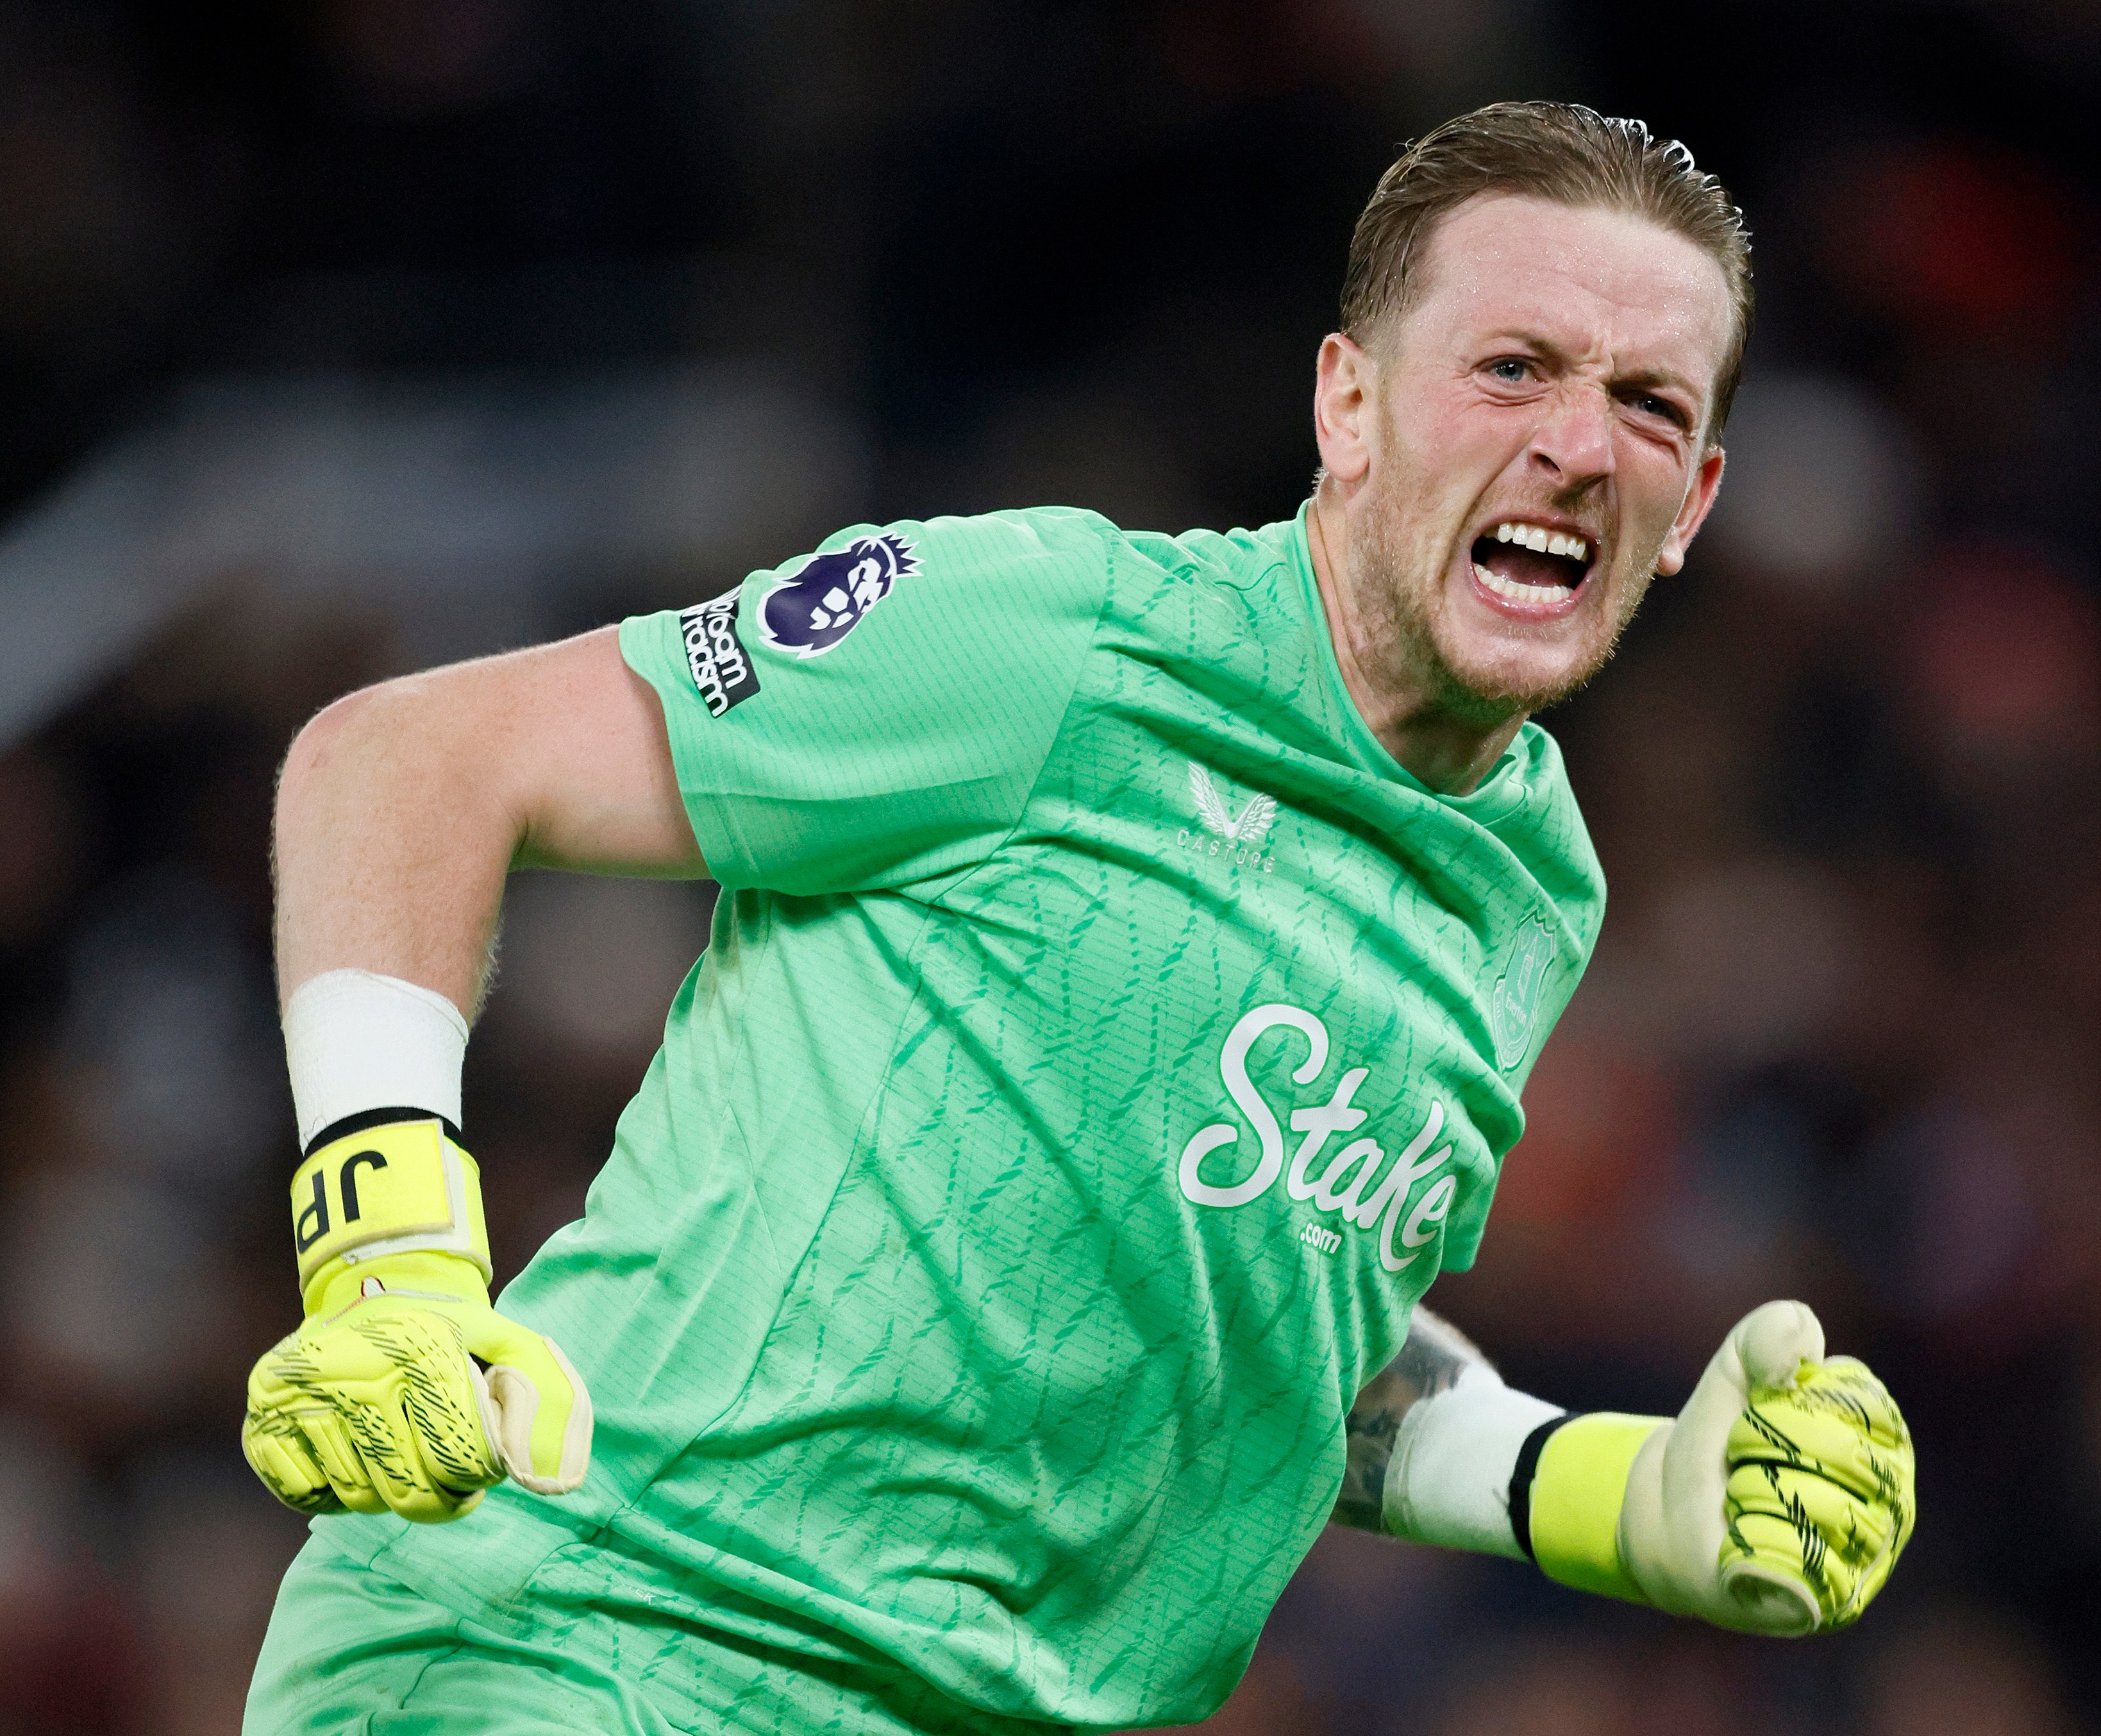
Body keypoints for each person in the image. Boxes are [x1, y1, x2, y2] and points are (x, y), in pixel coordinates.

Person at [241, 101, 1914, 1736]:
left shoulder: (1532, 894)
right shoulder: (1052, 641)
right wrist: (393, 1261)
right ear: (1349, 406)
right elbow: (406, 761)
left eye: (1645, 403)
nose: (1578, 446)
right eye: (1513, 368)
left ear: (1694, 503)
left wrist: (1607, 1489)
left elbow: (1264, 1323)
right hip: (592, 1640)